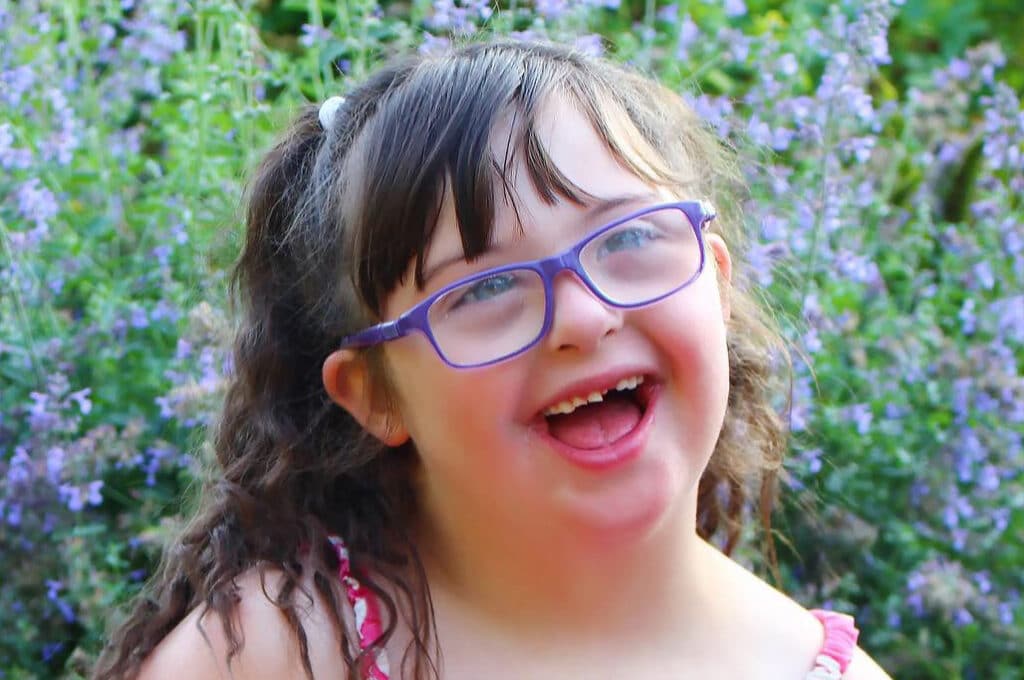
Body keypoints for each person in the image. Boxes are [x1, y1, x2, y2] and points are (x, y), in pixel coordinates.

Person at [94, 40, 892, 680]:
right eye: (483, 290)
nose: (583, 316)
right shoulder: (278, 652)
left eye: (630, 239)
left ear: (716, 284)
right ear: (375, 393)